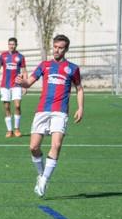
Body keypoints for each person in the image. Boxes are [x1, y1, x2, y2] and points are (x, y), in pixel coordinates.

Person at [17, 34, 83, 197]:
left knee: (56, 145)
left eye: (61, 48)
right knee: (33, 147)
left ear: (66, 49)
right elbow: (29, 82)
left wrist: (80, 107)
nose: (57, 50)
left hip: (60, 111)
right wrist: (21, 82)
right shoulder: (44, 65)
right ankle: (41, 174)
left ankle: (45, 179)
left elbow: (79, 88)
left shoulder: (73, 68)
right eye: (55, 47)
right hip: (43, 110)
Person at [0, 37, 27, 137]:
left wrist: (25, 85)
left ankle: (17, 129)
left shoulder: (20, 57)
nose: (11, 46)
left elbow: (24, 71)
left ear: (16, 45)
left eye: (13, 44)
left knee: (17, 106)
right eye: (10, 44)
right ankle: (9, 130)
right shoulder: (3, 55)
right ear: (8, 45)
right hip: (5, 85)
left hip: (16, 85)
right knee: (6, 107)